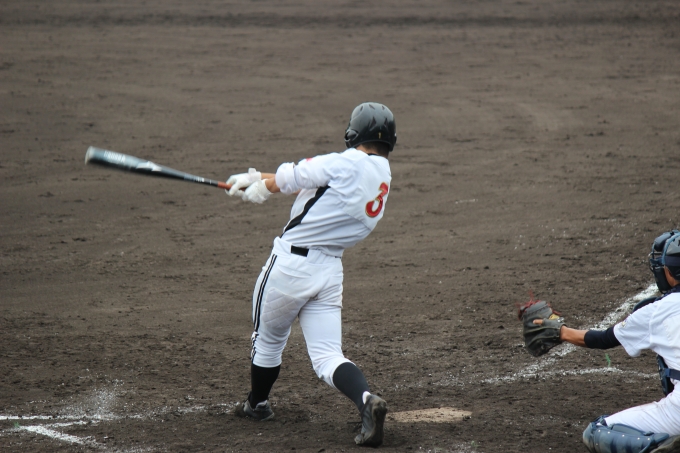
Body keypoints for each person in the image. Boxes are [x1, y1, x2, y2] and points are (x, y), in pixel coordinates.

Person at [224, 102, 396, 448]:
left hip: (290, 267)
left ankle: (257, 404)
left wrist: (262, 185)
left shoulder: (346, 161)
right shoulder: (382, 175)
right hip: (329, 272)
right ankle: (366, 401)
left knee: (268, 340)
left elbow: (293, 176)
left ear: (354, 133)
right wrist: (259, 181)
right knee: (328, 356)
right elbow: (317, 185)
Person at [534, 230, 680, 453]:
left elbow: (603, 339)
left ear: (669, 272)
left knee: (598, 431)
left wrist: (560, 332)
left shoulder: (656, 311)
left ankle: (662, 445)